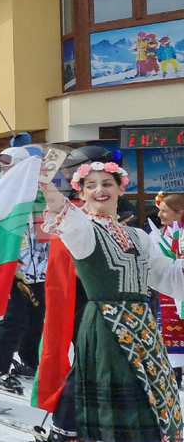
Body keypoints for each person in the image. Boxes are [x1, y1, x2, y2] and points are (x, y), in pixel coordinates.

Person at [40, 161, 184, 442]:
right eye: (90, 185)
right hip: (107, 325)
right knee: (116, 391)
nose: (99, 190)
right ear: (81, 194)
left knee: (153, 393)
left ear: (121, 188)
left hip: (143, 326)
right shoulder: (84, 231)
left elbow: (164, 274)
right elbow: (63, 212)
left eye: (107, 184)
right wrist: (46, 186)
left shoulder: (138, 236)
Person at [0, 147, 44, 393]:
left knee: (37, 316)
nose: (5, 172)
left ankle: (28, 361)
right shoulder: (0, 191)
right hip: (16, 264)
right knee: (15, 316)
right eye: (3, 168)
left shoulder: (39, 188)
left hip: (42, 263)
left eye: (10, 167)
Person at [155, 192, 184, 386]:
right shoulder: (160, 233)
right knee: (169, 330)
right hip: (166, 290)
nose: (160, 215)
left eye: (164, 211)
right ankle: (174, 370)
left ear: (179, 212)